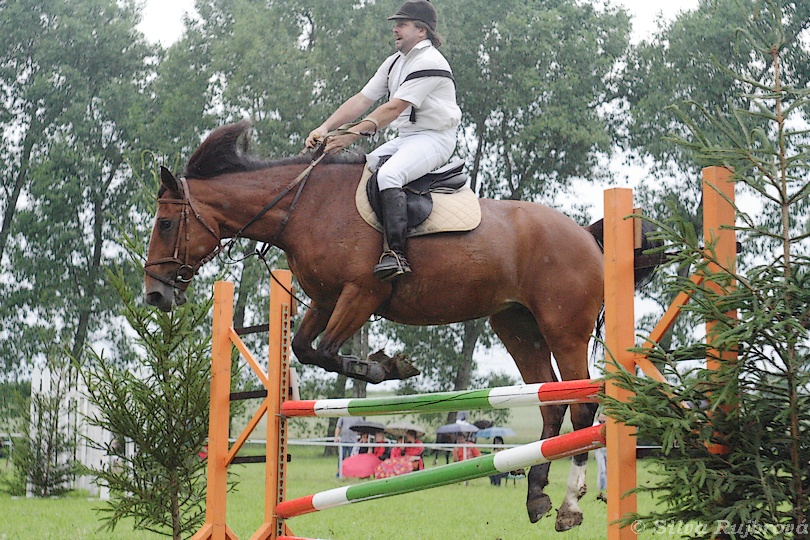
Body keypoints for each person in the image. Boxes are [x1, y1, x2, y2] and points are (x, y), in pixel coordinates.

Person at [305, 0, 461, 282]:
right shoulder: (394, 63)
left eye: (402, 24)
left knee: (390, 174)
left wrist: (350, 136)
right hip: (408, 138)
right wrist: (326, 127)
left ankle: (396, 255)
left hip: (435, 139)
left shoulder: (429, 61)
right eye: (396, 25)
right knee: (362, 170)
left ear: (422, 31)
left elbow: (392, 109)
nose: (396, 30)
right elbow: (362, 100)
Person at [595, 412, 607, 502]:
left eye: (604, 416)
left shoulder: (608, 425)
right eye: (601, 415)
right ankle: (601, 487)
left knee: (608, 470)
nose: (603, 417)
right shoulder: (595, 425)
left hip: (608, 450)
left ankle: (607, 487)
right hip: (599, 449)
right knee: (602, 469)